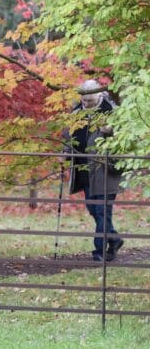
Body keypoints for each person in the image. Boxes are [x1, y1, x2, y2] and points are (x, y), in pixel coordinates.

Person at [65, 79, 124, 261]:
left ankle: (99, 252)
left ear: (99, 95)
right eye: (84, 100)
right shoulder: (76, 113)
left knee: (102, 211)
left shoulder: (112, 112)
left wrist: (111, 131)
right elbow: (68, 136)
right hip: (83, 170)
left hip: (105, 170)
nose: (86, 103)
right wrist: (66, 152)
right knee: (93, 208)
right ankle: (114, 239)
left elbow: (124, 138)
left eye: (90, 100)